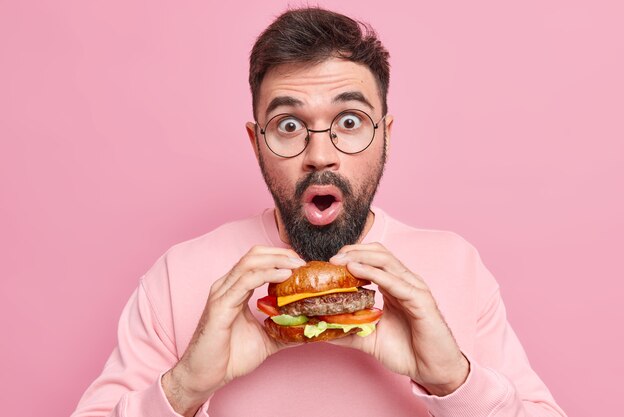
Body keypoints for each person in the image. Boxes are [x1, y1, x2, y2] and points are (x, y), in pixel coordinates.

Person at [72, 7, 566, 417]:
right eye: (288, 124)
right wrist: (183, 388)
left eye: (349, 121)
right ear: (257, 142)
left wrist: (454, 381)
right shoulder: (178, 276)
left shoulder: (457, 265)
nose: (320, 154)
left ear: (386, 135)